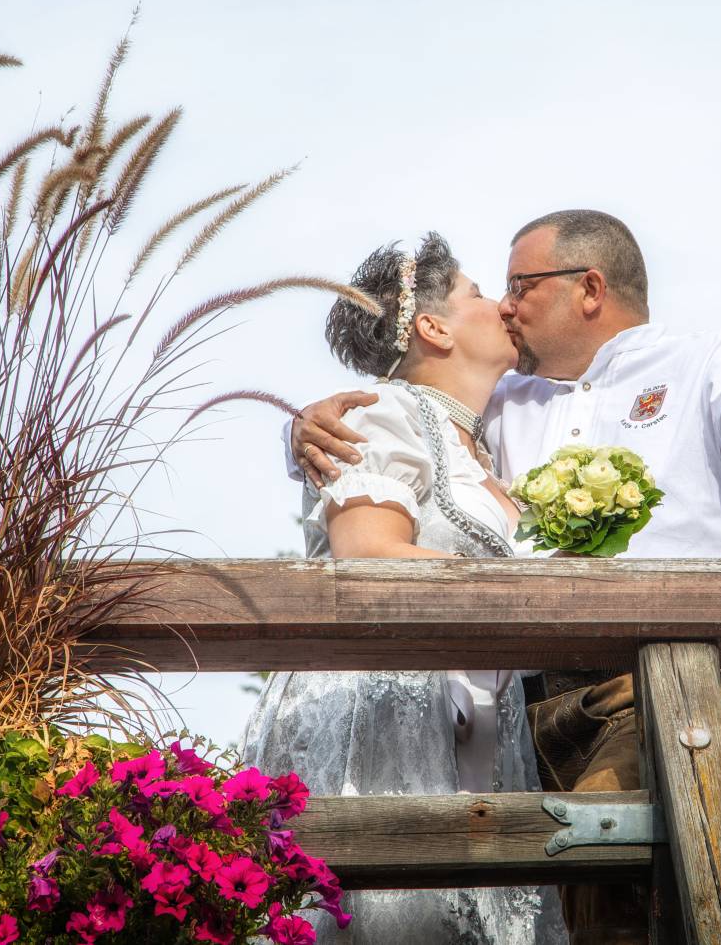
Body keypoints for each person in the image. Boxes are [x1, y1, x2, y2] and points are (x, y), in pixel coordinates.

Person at [289, 209, 721, 945]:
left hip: (656, 682)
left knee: (614, 889)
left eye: (520, 285)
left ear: (588, 287)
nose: (507, 306)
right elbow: (405, 428)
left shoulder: (709, 361)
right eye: (495, 290)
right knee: (534, 913)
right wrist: (302, 425)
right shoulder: (502, 402)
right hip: (515, 712)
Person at [242, 233, 568, 944]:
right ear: (433, 326)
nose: (502, 306)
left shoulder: (487, 441)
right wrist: (531, 594)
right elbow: (370, 552)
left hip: (478, 714)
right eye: (479, 293)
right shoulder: (380, 411)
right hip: (390, 706)